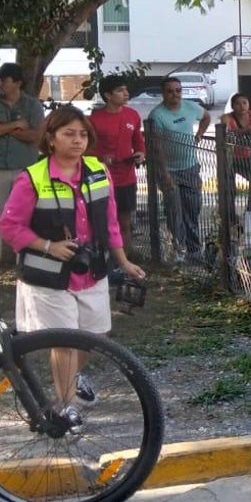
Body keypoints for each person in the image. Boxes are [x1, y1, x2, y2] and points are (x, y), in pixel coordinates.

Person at [0, 106, 146, 429]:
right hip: (48, 276)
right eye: (69, 134)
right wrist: (48, 246)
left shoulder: (97, 171)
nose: (77, 140)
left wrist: (123, 261)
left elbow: (110, 223)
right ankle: (64, 409)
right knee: (64, 342)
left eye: (82, 134)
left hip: (90, 270)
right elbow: (9, 227)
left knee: (95, 335)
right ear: (51, 139)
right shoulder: (33, 177)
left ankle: (73, 378)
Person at [147, 76, 211, 262]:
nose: (175, 94)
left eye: (178, 90)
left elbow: (206, 117)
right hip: (168, 170)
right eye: (170, 91)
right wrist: (165, 174)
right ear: (163, 94)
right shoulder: (157, 115)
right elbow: (156, 147)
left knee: (192, 209)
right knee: (174, 211)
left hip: (190, 167)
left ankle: (194, 250)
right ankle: (179, 249)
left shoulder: (190, 107)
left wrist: (199, 135)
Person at [88, 76, 146, 254]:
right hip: (102, 179)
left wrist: (141, 153)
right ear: (108, 95)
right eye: (120, 90)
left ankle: (125, 260)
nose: (126, 93)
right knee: (103, 221)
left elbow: (138, 140)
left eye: (126, 89)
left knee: (125, 222)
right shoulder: (95, 120)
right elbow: (86, 149)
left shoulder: (132, 115)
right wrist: (100, 157)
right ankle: (103, 258)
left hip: (126, 178)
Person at [0, 63, 45, 263]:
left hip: (25, 170)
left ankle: (23, 260)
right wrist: (17, 125)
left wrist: (6, 129)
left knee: (25, 214)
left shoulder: (33, 106)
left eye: (4, 80)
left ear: (18, 83)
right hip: (1, 170)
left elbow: (36, 136)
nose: (1, 83)